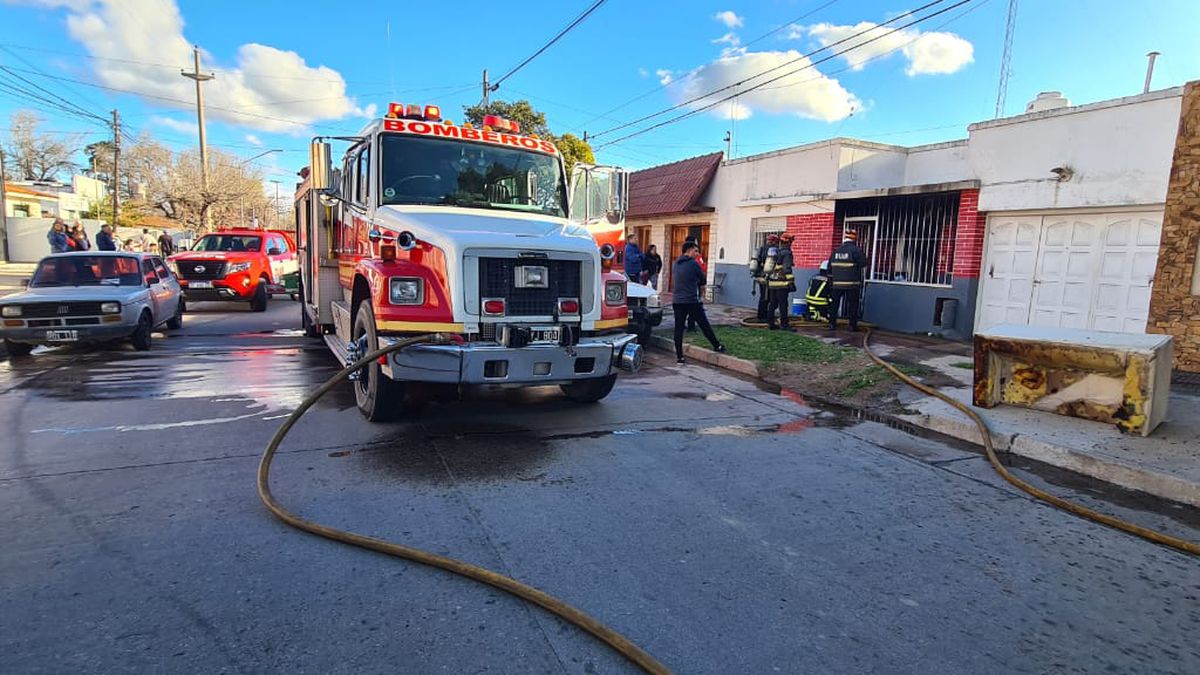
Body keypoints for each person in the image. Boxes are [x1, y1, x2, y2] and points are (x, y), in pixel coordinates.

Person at [672, 241, 725, 364]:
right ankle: (717, 345)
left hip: (677, 301)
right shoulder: (693, 264)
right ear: (689, 250)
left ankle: (680, 357)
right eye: (695, 251)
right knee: (704, 324)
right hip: (691, 300)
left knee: (678, 328)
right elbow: (702, 280)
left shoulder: (676, 264)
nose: (697, 253)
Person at [829, 229, 868, 331]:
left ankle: (832, 324)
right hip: (852, 284)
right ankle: (852, 326)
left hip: (837, 284)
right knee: (853, 305)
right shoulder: (856, 250)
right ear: (855, 239)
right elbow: (863, 263)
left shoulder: (836, 250)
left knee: (834, 304)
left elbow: (829, 267)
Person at [766, 233, 796, 330]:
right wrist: (791, 282)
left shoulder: (776, 252)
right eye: (791, 241)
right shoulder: (787, 253)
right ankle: (784, 325)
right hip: (781, 284)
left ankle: (771, 323)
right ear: (789, 242)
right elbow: (787, 269)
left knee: (773, 304)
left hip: (772, 283)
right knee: (783, 305)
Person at [750, 233, 779, 322]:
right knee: (768, 297)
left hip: (760, 276)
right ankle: (763, 317)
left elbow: (758, 260)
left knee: (763, 296)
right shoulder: (775, 250)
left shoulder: (762, 248)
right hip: (769, 277)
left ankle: (762, 315)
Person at [683, 236, 707, 330]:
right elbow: (701, 268)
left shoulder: (693, 258)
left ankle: (690, 324)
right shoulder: (691, 260)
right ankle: (691, 324)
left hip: (692, 285)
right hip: (692, 285)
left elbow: (703, 267)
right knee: (693, 306)